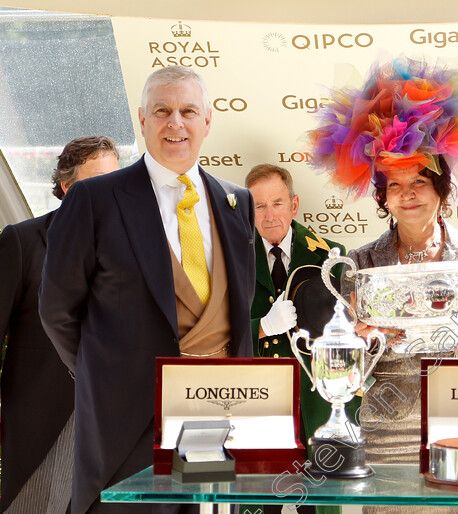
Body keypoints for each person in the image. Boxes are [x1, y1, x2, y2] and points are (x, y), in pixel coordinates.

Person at [39, 66, 255, 514]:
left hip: (215, 424)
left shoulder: (238, 201)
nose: (176, 122)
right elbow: (57, 310)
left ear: (207, 122)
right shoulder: (94, 200)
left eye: (188, 111)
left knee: (208, 512)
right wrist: (108, 377)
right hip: (127, 429)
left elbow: (237, 312)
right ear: (141, 119)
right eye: (162, 111)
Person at [308, 57, 458, 514]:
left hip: (457, 428)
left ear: (442, 188)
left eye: (420, 182)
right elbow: (344, 370)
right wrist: (360, 344)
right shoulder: (360, 264)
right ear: (383, 197)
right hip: (383, 431)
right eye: (396, 185)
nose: (408, 194)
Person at [0, 136, 119, 514]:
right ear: (67, 187)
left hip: (109, 424)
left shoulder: (133, 250)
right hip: (39, 424)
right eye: (96, 180)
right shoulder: (22, 241)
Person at [244, 163, 355, 514]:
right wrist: (261, 326)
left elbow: (349, 338)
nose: (269, 215)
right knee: (257, 506)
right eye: (258, 206)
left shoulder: (332, 257)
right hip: (259, 406)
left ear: (294, 205)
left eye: (277, 203)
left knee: (323, 507)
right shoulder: (232, 258)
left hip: (317, 408)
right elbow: (215, 334)